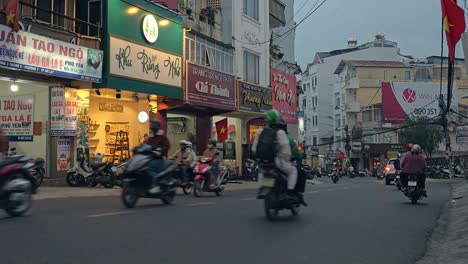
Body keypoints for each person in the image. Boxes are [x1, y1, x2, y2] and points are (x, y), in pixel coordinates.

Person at [252, 109, 297, 199]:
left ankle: (262, 187)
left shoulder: (260, 132)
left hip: (262, 162)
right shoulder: (280, 133)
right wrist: (287, 159)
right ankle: (289, 191)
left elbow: (254, 148)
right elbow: (286, 150)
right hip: (278, 161)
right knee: (293, 171)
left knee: (262, 171)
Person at [144, 119, 174, 193]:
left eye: (154, 127)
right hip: (150, 157)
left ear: (157, 127)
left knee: (150, 167)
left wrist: (160, 150)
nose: (152, 128)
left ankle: (155, 185)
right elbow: (145, 145)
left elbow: (167, 146)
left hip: (160, 158)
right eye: (152, 127)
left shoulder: (162, 137)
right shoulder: (150, 137)